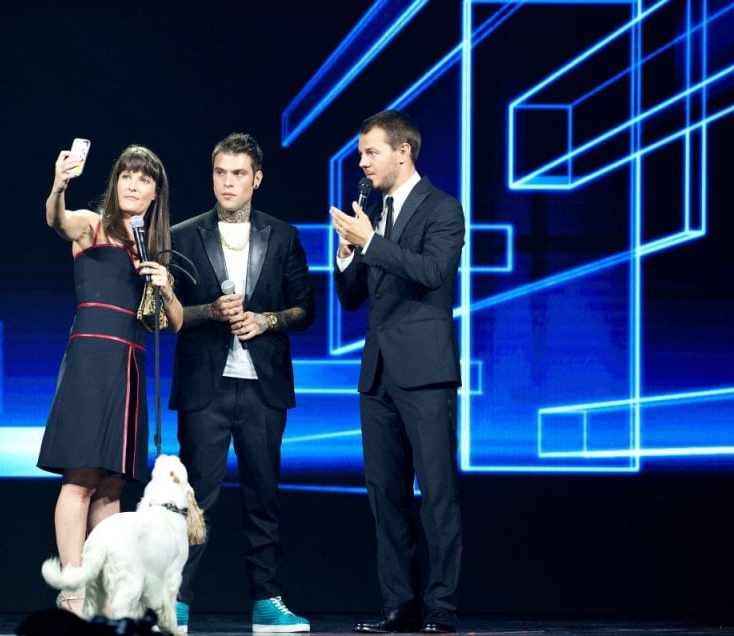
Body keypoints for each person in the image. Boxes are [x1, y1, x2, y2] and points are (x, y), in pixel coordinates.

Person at [169, 132, 314, 633]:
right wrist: (209, 311)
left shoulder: (283, 234)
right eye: (220, 173)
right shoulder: (183, 234)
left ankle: (267, 602)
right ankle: (176, 602)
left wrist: (266, 321)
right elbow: (165, 315)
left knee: (263, 497)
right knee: (192, 501)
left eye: (238, 174)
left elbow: (305, 308)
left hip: (262, 387)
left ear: (257, 178)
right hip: (204, 386)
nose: (228, 183)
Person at [329, 110, 466, 633]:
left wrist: (371, 244)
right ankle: (398, 605)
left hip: (425, 372)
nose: (363, 163)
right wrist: (347, 257)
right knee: (385, 494)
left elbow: (433, 272)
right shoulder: (373, 212)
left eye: (371, 153)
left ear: (402, 152)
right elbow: (353, 298)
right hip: (378, 373)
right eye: (362, 154)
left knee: (436, 494)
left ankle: (440, 607)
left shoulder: (443, 208)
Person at [37, 144, 183, 617]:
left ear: (155, 192)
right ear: (115, 181)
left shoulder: (155, 252)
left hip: (131, 365)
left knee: (112, 487)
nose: (133, 185)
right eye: (126, 176)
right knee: (79, 479)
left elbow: (173, 321)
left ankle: (102, 591)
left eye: (143, 180)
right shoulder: (91, 225)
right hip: (90, 361)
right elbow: (57, 222)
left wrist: (163, 285)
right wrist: (59, 184)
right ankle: (73, 588)